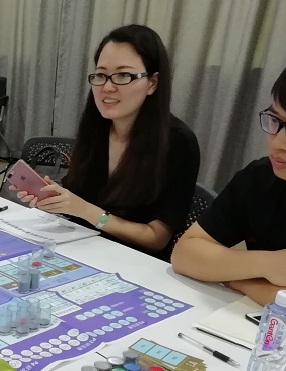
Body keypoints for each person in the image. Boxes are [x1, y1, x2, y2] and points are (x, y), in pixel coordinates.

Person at [171, 39, 286, 330]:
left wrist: (234, 277)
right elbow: (185, 254)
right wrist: (269, 265)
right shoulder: (261, 177)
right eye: (275, 120)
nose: (278, 143)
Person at [12, 25, 200, 259]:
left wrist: (88, 211)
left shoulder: (179, 142)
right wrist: (56, 200)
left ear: (152, 83)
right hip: (83, 249)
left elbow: (156, 239)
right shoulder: (98, 126)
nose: (108, 87)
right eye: (101, 75)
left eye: (123, 75)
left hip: (133, 262)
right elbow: (78, 201)